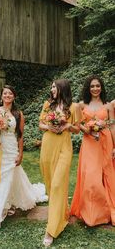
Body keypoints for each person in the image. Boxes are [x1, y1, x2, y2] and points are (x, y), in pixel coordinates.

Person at [0, 85, 48, 234]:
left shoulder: (18, 114)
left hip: (11, 149)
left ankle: (0, 212)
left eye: (10, 93)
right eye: (5, 93)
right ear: (1, 96)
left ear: (14, 97)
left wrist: (20, 154)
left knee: (9, 178)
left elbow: (20, 136)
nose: (7, 95)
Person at [39, 79, 80, 247]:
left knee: (57, 185)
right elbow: (41, 124)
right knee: (50, 185)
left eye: (54, 86)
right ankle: (62, 212)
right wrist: (50, 127)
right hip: (48, 145)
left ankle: (52, 229)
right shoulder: (48, 104)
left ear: (62, 88)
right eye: (52, 87)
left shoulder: (74, 107)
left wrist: (66, 126)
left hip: (64, 146)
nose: (52, 89)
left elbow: (78, 129)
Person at [70, 76, 115, 226]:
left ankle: (106, 211)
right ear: (88, 88)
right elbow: (77, 125)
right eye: (92, 86)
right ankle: (91, 213)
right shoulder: (81, 106)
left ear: (101, 88)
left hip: (105, 142)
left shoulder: (108, 106)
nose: (95, 89)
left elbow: (112, 126)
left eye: (97, 86)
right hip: (89, 143)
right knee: (90, 177)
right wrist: (88, 131)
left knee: (107, 175)